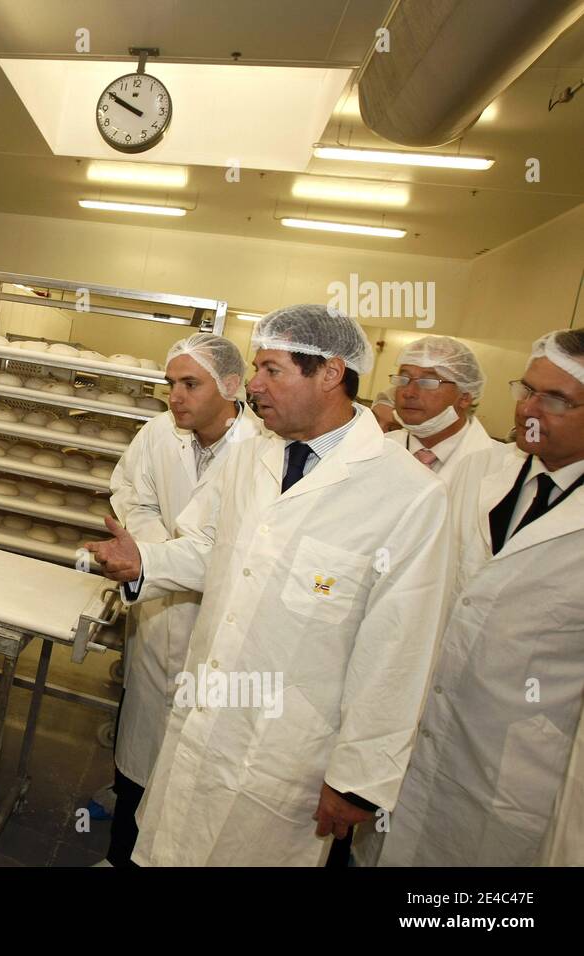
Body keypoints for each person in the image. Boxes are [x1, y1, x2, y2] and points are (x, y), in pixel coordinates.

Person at [83, 304, 450, 866]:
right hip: (207, 717)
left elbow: (399, 651)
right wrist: (146, 562)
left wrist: (357, 781)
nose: (252, 385)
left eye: (271, 370)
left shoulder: (407, 495)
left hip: (288, 756)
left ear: (330, 373)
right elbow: (212, 547)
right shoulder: (253, 455)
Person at [374, 329, 584, 866]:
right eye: (526, 389)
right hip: (421, 738)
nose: (529, 408)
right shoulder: (481, 472)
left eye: (555, 399)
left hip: (520, 776)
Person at [103, 333, 263, 866]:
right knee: (139, 756)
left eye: (190, 384)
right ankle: (122, 856)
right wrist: (161, 551)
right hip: (157, 618)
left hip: (215, 627)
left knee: (196, 771)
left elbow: (235, 548)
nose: (176, 396)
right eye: (171, 383)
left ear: (232, 386)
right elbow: (130, 494)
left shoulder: (262, 450)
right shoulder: (156, 435)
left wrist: (163, 560)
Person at [386, 335, 495, 482]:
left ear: (464, 398)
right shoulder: (378, 448)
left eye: (428, 382)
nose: (409, 392)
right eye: (403, 379)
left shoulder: (500, 467)